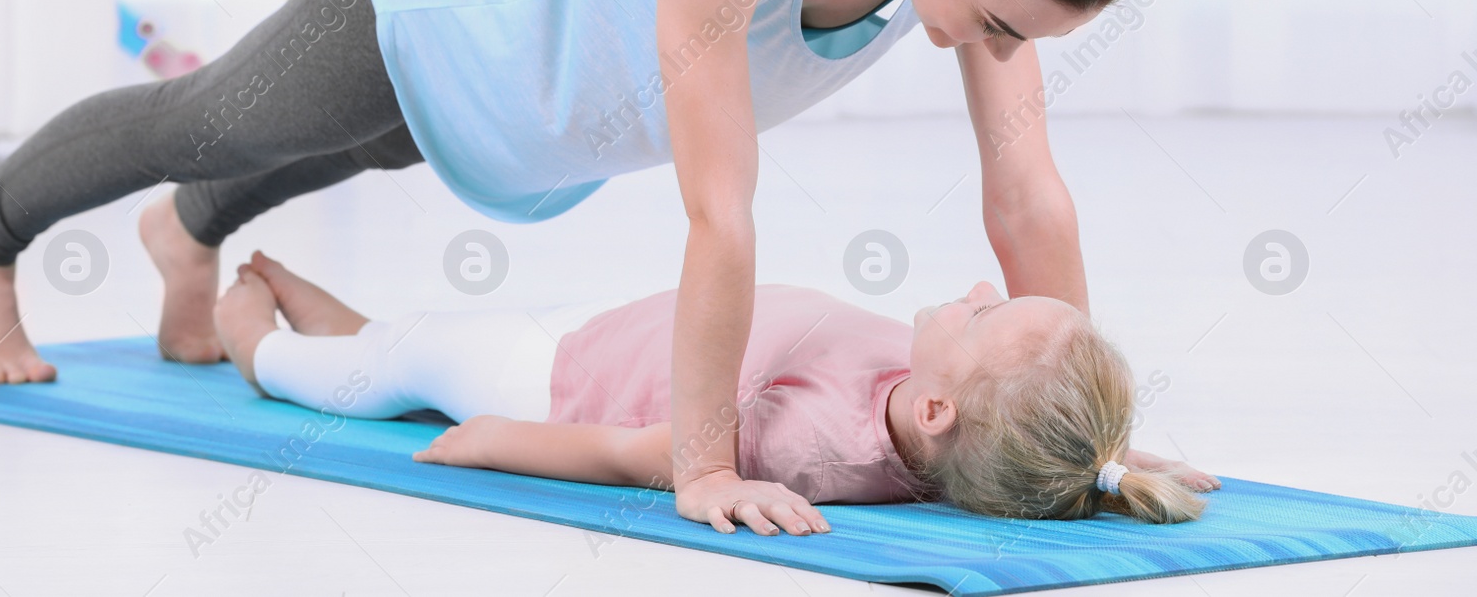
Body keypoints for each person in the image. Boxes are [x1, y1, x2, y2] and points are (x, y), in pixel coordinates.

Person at [0, 0, 1146, 535]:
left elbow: (1026, 191)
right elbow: (721, 213)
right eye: (997, 24)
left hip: (543, 97)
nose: (995, 50)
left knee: (371, 141)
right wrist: (701, 465)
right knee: (227, 117)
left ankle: (187, 230)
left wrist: (1083, 427)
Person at [213, 251, 1215, 533]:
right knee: (411, 339)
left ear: (938, 411)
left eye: (984, 316)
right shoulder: (960, 418)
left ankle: (256, 342)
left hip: (556, 377)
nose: (977, 289)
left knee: (399, 368)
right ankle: (346, 319)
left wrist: (492, 438)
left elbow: (643, 452)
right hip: (620, 325)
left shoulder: (805, 450)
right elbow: (1039, 422)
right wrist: (1095, 453)